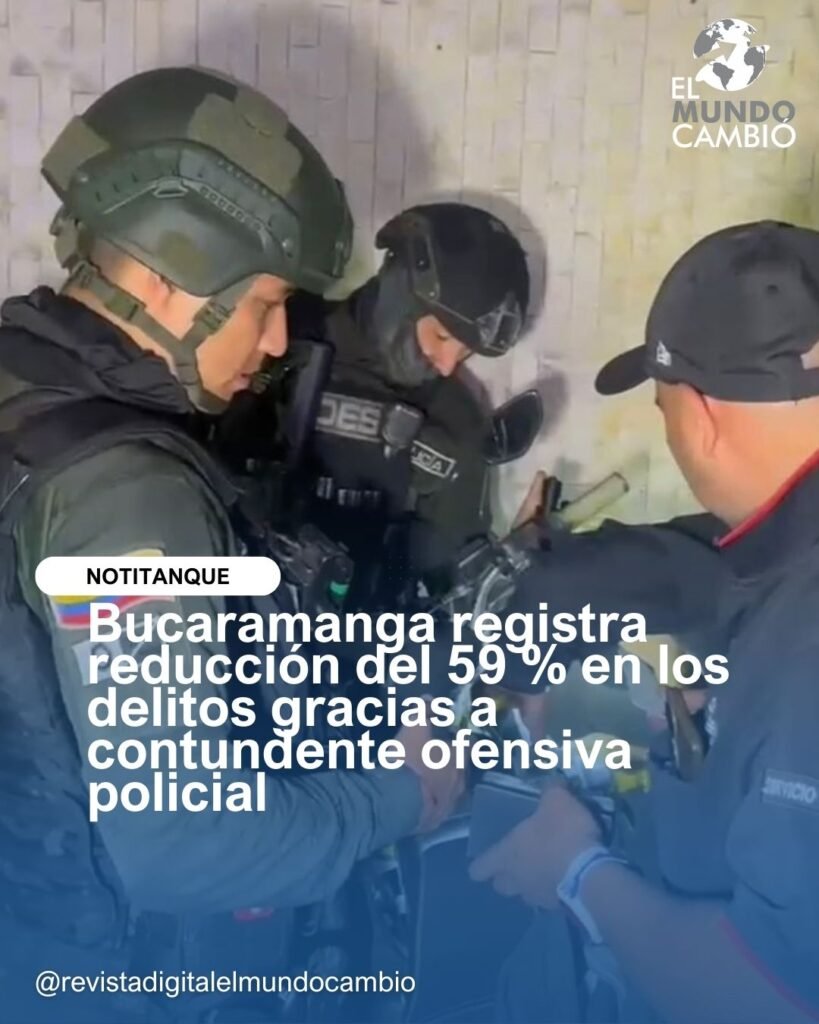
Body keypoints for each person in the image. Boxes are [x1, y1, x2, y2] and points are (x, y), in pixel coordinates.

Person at [0, 66, 462, 1021]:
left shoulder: (23, 383)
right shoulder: (128, 499)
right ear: (169, 276)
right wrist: (404, 796)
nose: (277, 339)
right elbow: (186, 845)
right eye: (263, 303)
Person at [470, 221, 819, 1023]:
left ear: (696, 415)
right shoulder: (785, 554)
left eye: (662, 410)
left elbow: (769, 1000)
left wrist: (576, 872)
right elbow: (682, 569)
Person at [219, 202, 531, 605]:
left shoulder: (456, 421)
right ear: (402, 296)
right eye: (441, 337)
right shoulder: (277, 335)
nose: (446, 364)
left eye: (465, 352)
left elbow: (449, 587)